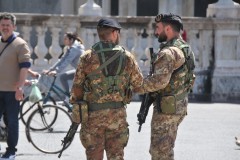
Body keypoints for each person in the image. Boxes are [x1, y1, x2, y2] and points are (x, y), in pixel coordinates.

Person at [70, 17, 143, 160]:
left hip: (93, 117)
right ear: (115, 32)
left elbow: (77, 88)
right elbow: (139, 84)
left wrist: (79, 107)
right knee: (116, 156)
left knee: (94, 156)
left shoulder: (87, 57)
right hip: (117, 117)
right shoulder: (127, 57)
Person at [134, 13, 195, 160]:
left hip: (167, 110)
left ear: (167, 29)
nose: (155, 32)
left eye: (158, 28)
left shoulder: (169, 52)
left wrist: (135, 86)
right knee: (165, 148)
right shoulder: (185, 48)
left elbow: (159, 82)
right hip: (177, 104)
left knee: (160, 152)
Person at [0, 12, 31, 160]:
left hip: (12, 91)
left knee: (12, 122)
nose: (5, 27)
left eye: (8, 25)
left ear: (13, 26)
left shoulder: (20, 44)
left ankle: (11, 150)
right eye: (2, 25)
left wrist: (20, 87)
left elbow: (24, 66)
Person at [43, 32, 85, 105]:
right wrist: (50, 70)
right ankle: (68, 98)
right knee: (63, 77)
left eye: (65, 39)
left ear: (71, 40)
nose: (64, 41)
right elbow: (62, 60)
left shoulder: (75, 48)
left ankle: (71, 99)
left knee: (72, 84)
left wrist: (57, 71)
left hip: (84, 72)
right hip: (79, 71)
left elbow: (67, 61)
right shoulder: (70, 48)